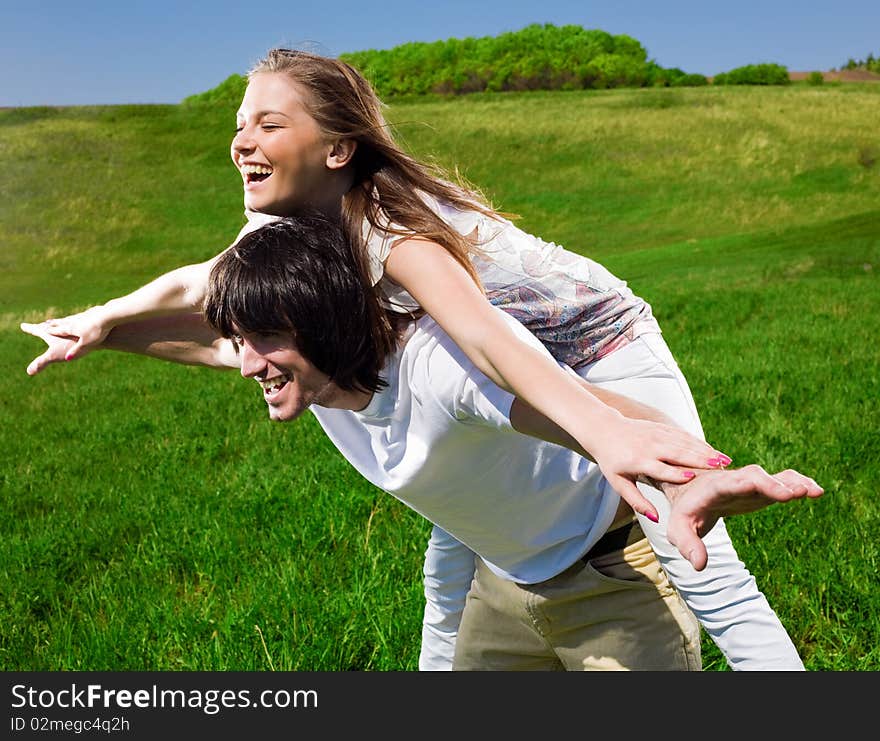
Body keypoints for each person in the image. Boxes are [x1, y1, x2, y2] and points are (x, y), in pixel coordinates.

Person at [22, 49, 801, 669]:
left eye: (266, 123)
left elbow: (492, 343)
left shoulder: (395, 231)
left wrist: (608, 437)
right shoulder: (280, 224)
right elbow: (206, 285)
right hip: (479, 364)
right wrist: (101, 320)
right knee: (456, 513)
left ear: (336, 148)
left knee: (695, 546)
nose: (241, 141)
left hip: (597, 342)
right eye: (238, 123)